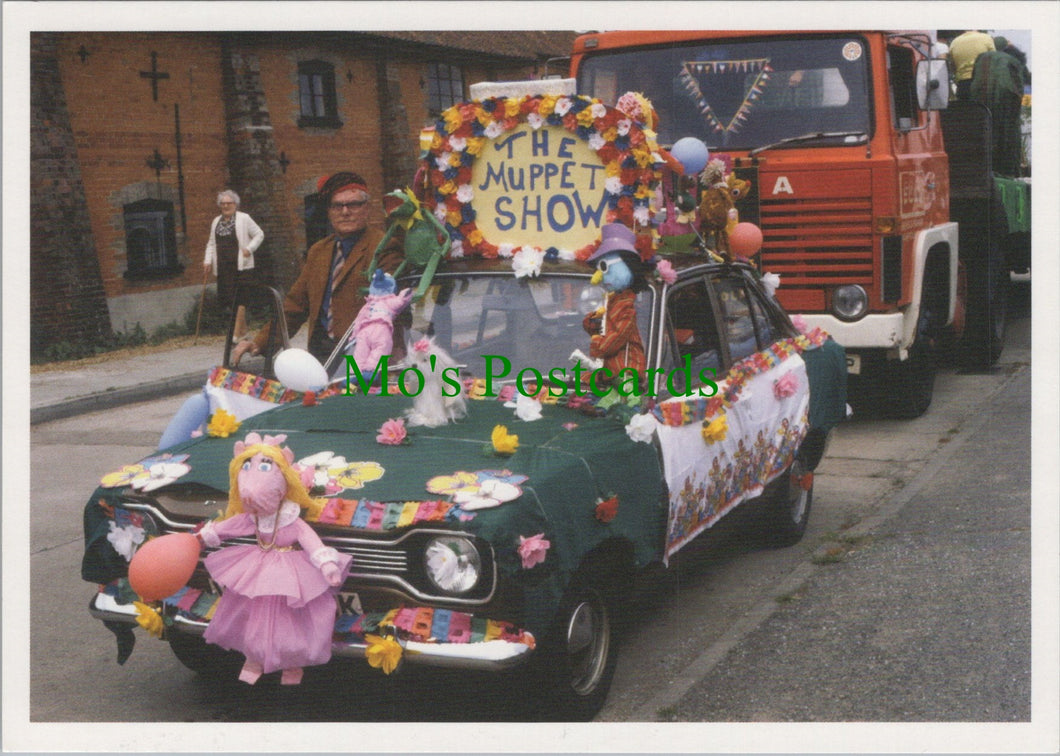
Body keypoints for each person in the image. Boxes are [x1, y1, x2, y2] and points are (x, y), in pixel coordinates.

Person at [233, 172, 399, 365]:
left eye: (353, 204)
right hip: (321, 355)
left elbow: (388, 309)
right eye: (337, 206)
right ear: (329, 212)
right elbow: (295, 305)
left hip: (364, 355)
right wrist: (260, 343)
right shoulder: (319, 251)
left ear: (367, 208)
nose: (345, 212)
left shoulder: (383, 247)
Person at [203, 190, 265, 341]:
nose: (225, 206)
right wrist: (207, 261)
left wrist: (249, 249)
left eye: (229, 203)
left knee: (241, 299)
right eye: (222, 203)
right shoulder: (216, 221)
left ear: (235, 204)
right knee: (231, 300)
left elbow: (259, 234)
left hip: (241, 266)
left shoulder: (244, 218)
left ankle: (235, 334)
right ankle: (244, 333)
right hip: (223, 267)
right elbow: (211, 243)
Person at [947, 30, 995, 100]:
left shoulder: (954, 42)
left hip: (963, 85)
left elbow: (952, 66)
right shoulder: (986, 38)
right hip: (983, 83)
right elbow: (994, 60)